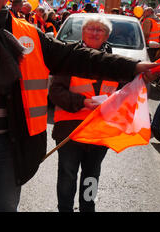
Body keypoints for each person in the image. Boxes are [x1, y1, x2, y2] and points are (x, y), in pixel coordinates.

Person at [0, 0, 159, 212]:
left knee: (7, 207)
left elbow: (77, 57)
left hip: (10, 143)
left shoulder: (28, 34)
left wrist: (133, 66)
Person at [49, 16, 122, 212]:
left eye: (99, 30)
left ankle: (87, 208)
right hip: (70, 131)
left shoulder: (114, 62)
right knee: (67, 175)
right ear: (83, 33)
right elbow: (55, 92)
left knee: (92, 176)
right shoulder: (69, 57)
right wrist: (82, 102)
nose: (94, 32)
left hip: (99, 132)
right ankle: (64, 209)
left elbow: (124, 93)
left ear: (106, 36)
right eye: (90, 28)